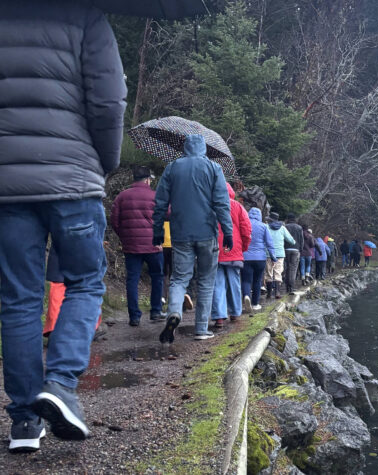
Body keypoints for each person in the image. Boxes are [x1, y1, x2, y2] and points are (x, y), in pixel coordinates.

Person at [0, 1, 126, 452]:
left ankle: (22, 423)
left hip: (7, 186)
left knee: (17, 300)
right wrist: (103, 163)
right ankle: (61, 383)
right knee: (86, 282)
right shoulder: (84, 16)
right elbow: (108, 101)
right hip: (73, 178)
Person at [153, 134, 233, 342]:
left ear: (185, 149)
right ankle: (200, 329)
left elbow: (160, 202)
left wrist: (158, 231)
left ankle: (174, 312)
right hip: (207, 232)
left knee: (179, 278)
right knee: (206, 281)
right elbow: (222, 204)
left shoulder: (172, 167)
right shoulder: (214, 168)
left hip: (180, 233)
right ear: (204, 149)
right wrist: (228, 232)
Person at [111, 166, 165, 326]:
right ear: (148, 180)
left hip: (131, 246)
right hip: (154, 245)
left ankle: (134, 316)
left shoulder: (121, 197)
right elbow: (167, 214)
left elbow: (114, 221)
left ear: (133, 179)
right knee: (157, 276)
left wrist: (124, 237)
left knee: (132, 279)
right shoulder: (155, 196)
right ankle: (155, 311)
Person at [211, 183, 251, 328]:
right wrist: (243, 247)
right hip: (233, 249)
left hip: (214, 249)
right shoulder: (237, 206)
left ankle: (219, 316)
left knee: (217, 284)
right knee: (234, 282)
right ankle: (234, 312)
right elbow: (246, 229)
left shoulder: (210, 205)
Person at [242, 208, 276, 312]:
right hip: (260, 258)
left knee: (246, 280)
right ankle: (255, 304)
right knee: (257, 281)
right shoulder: (264, 226)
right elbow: (269, 243)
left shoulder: (244, 223)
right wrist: (273, 257)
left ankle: (246, 296)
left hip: (245, 257)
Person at [265, 212, 295, 299]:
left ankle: (269, 294)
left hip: (268, 253)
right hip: (280, 253)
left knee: (269, 273)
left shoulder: (266, 227)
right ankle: (277, 292)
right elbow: (291, 240)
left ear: (270, 219)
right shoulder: (282, 228)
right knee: (278, 272)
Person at [284, 213, 304, 295]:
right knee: (293, 268)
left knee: (287, 267)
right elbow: (301, 239)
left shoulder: (285, 227)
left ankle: (287, 286)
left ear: (288, 219)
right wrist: (301, 249)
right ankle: (291, 287)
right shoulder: (299, 228)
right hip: (296, 249)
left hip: (286, 249)